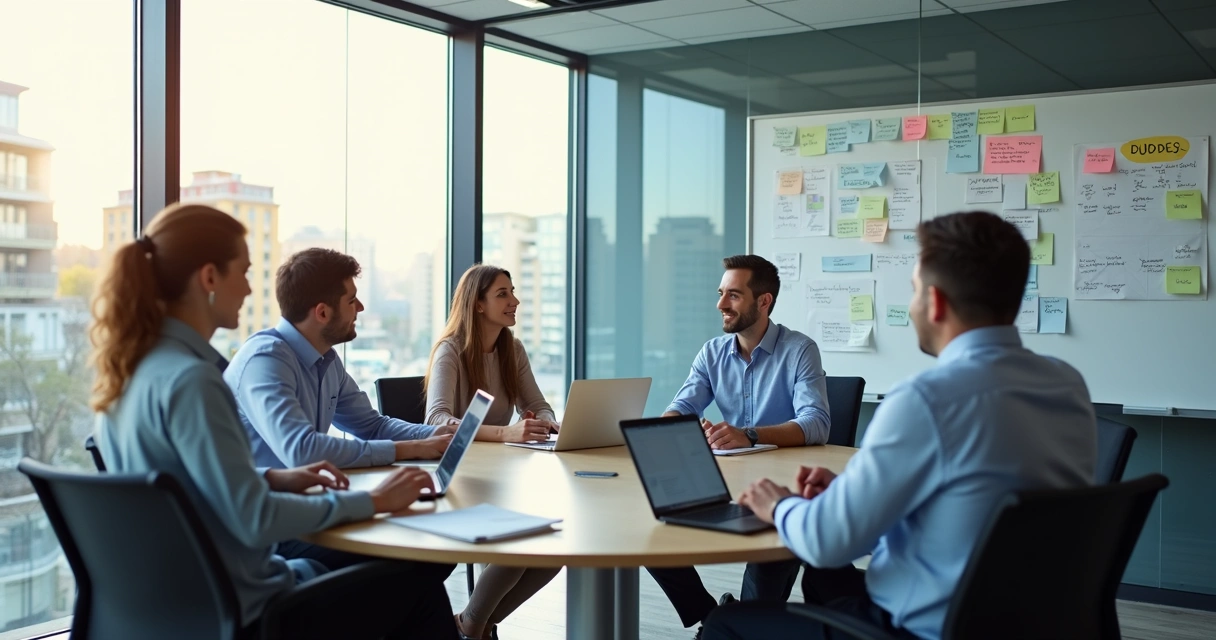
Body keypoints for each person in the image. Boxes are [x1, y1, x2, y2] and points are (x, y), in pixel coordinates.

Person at [703, 211, 1098, 640]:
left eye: (913, 291)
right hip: (1034, 619)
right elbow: (968, 504)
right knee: (825, 581)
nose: (911, 308)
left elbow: (826, 542)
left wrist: (778, 504)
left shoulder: (925, 400)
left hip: (921, 627)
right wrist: (851, 494)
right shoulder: (1067, 384)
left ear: (936, 302)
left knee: (724, 624)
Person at [90, 203, 457, 639]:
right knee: (421, 580)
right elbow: (256, 519)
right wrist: (374, 501)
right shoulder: (193, 380)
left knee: (408, 573)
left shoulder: (132, 372)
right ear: (209, 278)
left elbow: (184, 486)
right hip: (250, 609)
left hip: (181, 606)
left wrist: (271, 478)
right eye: (244, 272)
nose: (249, 288)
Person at [225, 247, 456, 570]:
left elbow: (372, 426)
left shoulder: (327, 360)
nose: (360, 308)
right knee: (423, 556)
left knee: (433, 550)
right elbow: (302, 451)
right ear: (322, 312)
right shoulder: (266, 360)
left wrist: (435, 435)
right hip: (268, 529)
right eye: (352, 300)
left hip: (308, 507)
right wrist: (410, 448)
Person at [649, 254, 832, 636]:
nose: (721, 304)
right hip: (725, 478)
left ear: (763, 301)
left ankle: (739, 624)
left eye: (733, 295)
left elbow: (816, 423)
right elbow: (682, 407)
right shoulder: (712, 352)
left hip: (781, 485)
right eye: (720, 293)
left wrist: (749, 433)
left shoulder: (800, 349)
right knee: (649, 530)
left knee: (767, 569)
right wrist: (673, 429)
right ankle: (712, 617)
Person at [425, 264, 561, 640]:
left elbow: (538, 403)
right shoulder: (450, 351)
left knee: (553, 554)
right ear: (478, 304)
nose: (514, 300)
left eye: (512, 292)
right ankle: (476, 627)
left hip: (503, 475)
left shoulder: (510, 348)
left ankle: (473, 624)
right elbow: (436, 420)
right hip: (459, 477)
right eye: (503, 294)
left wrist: (546, 422)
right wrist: (506, 432)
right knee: (518, 545)